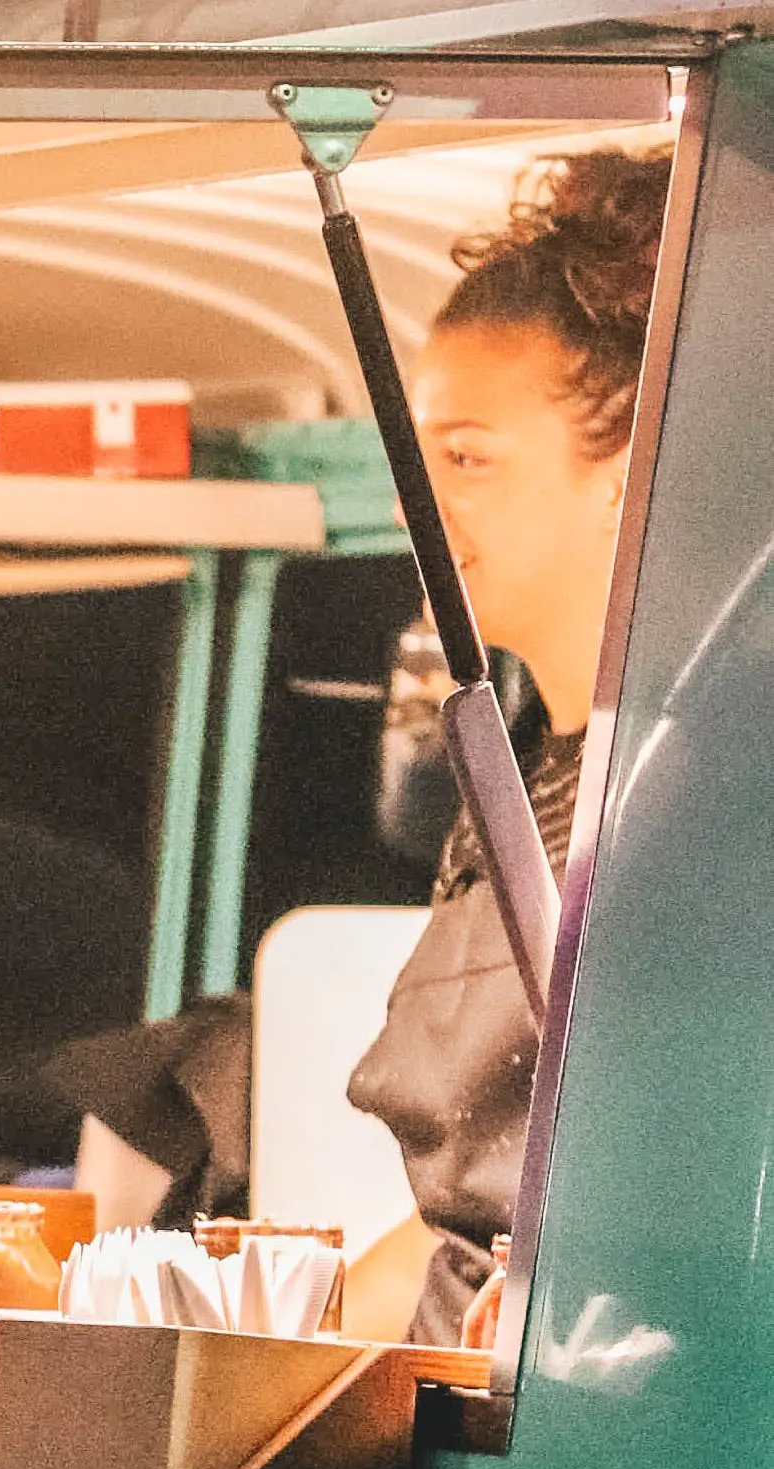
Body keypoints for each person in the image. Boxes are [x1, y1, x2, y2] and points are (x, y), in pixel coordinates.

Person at [349, 147, 671, 1345]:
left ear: (624, 476)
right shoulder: (507, 771)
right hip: (443, 1419)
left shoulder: (700, 795)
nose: (412, 508)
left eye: (466, 459)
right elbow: (451, 1240)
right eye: (413, 461)